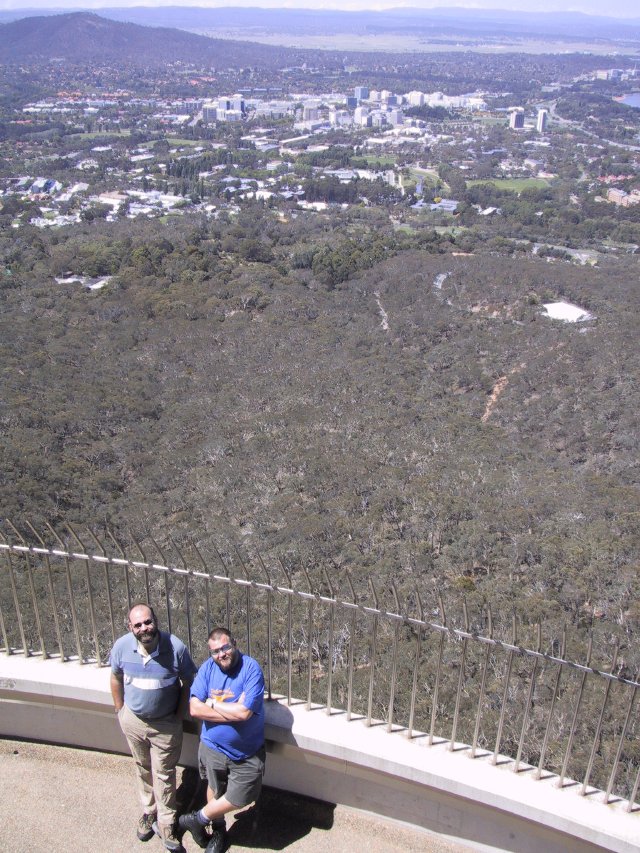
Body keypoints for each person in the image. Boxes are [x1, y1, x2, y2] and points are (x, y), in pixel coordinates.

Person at [110, 603, 197, 852]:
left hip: (165, 724)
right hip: (133, 720)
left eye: (147, 622)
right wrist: (120, 709)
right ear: (130, 627)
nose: (144, 628)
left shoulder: (175, 648)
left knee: (165, 774)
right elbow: (115, 676)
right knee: (142, 767)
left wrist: (179, 715)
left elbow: (189, 680)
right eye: (138, 625)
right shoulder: (122, 647)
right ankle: (149, 811)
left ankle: (167, 821)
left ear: (156, 621)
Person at [179, 627, 265, 853]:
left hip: (246, 752)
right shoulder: (207, 669)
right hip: (212, 746)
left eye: (225, 647)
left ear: (234, 644)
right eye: (215, 651)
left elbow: (244, 714)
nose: (221, 654)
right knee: (213, 788)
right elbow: (194, 709)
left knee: (243, 795)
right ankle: (218, 831)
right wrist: (232, 709)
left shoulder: (251, 669)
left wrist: (213, 703)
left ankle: (197, 819)